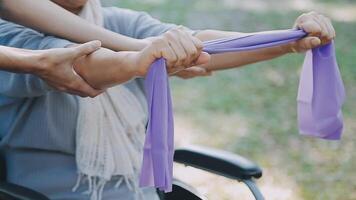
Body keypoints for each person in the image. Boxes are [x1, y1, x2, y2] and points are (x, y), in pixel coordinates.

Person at [0, 0, 336, 200]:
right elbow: (82, 65)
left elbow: (200, 44)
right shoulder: (10, 37)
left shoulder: (114, 20)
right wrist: (140, 59)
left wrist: (289, 41)